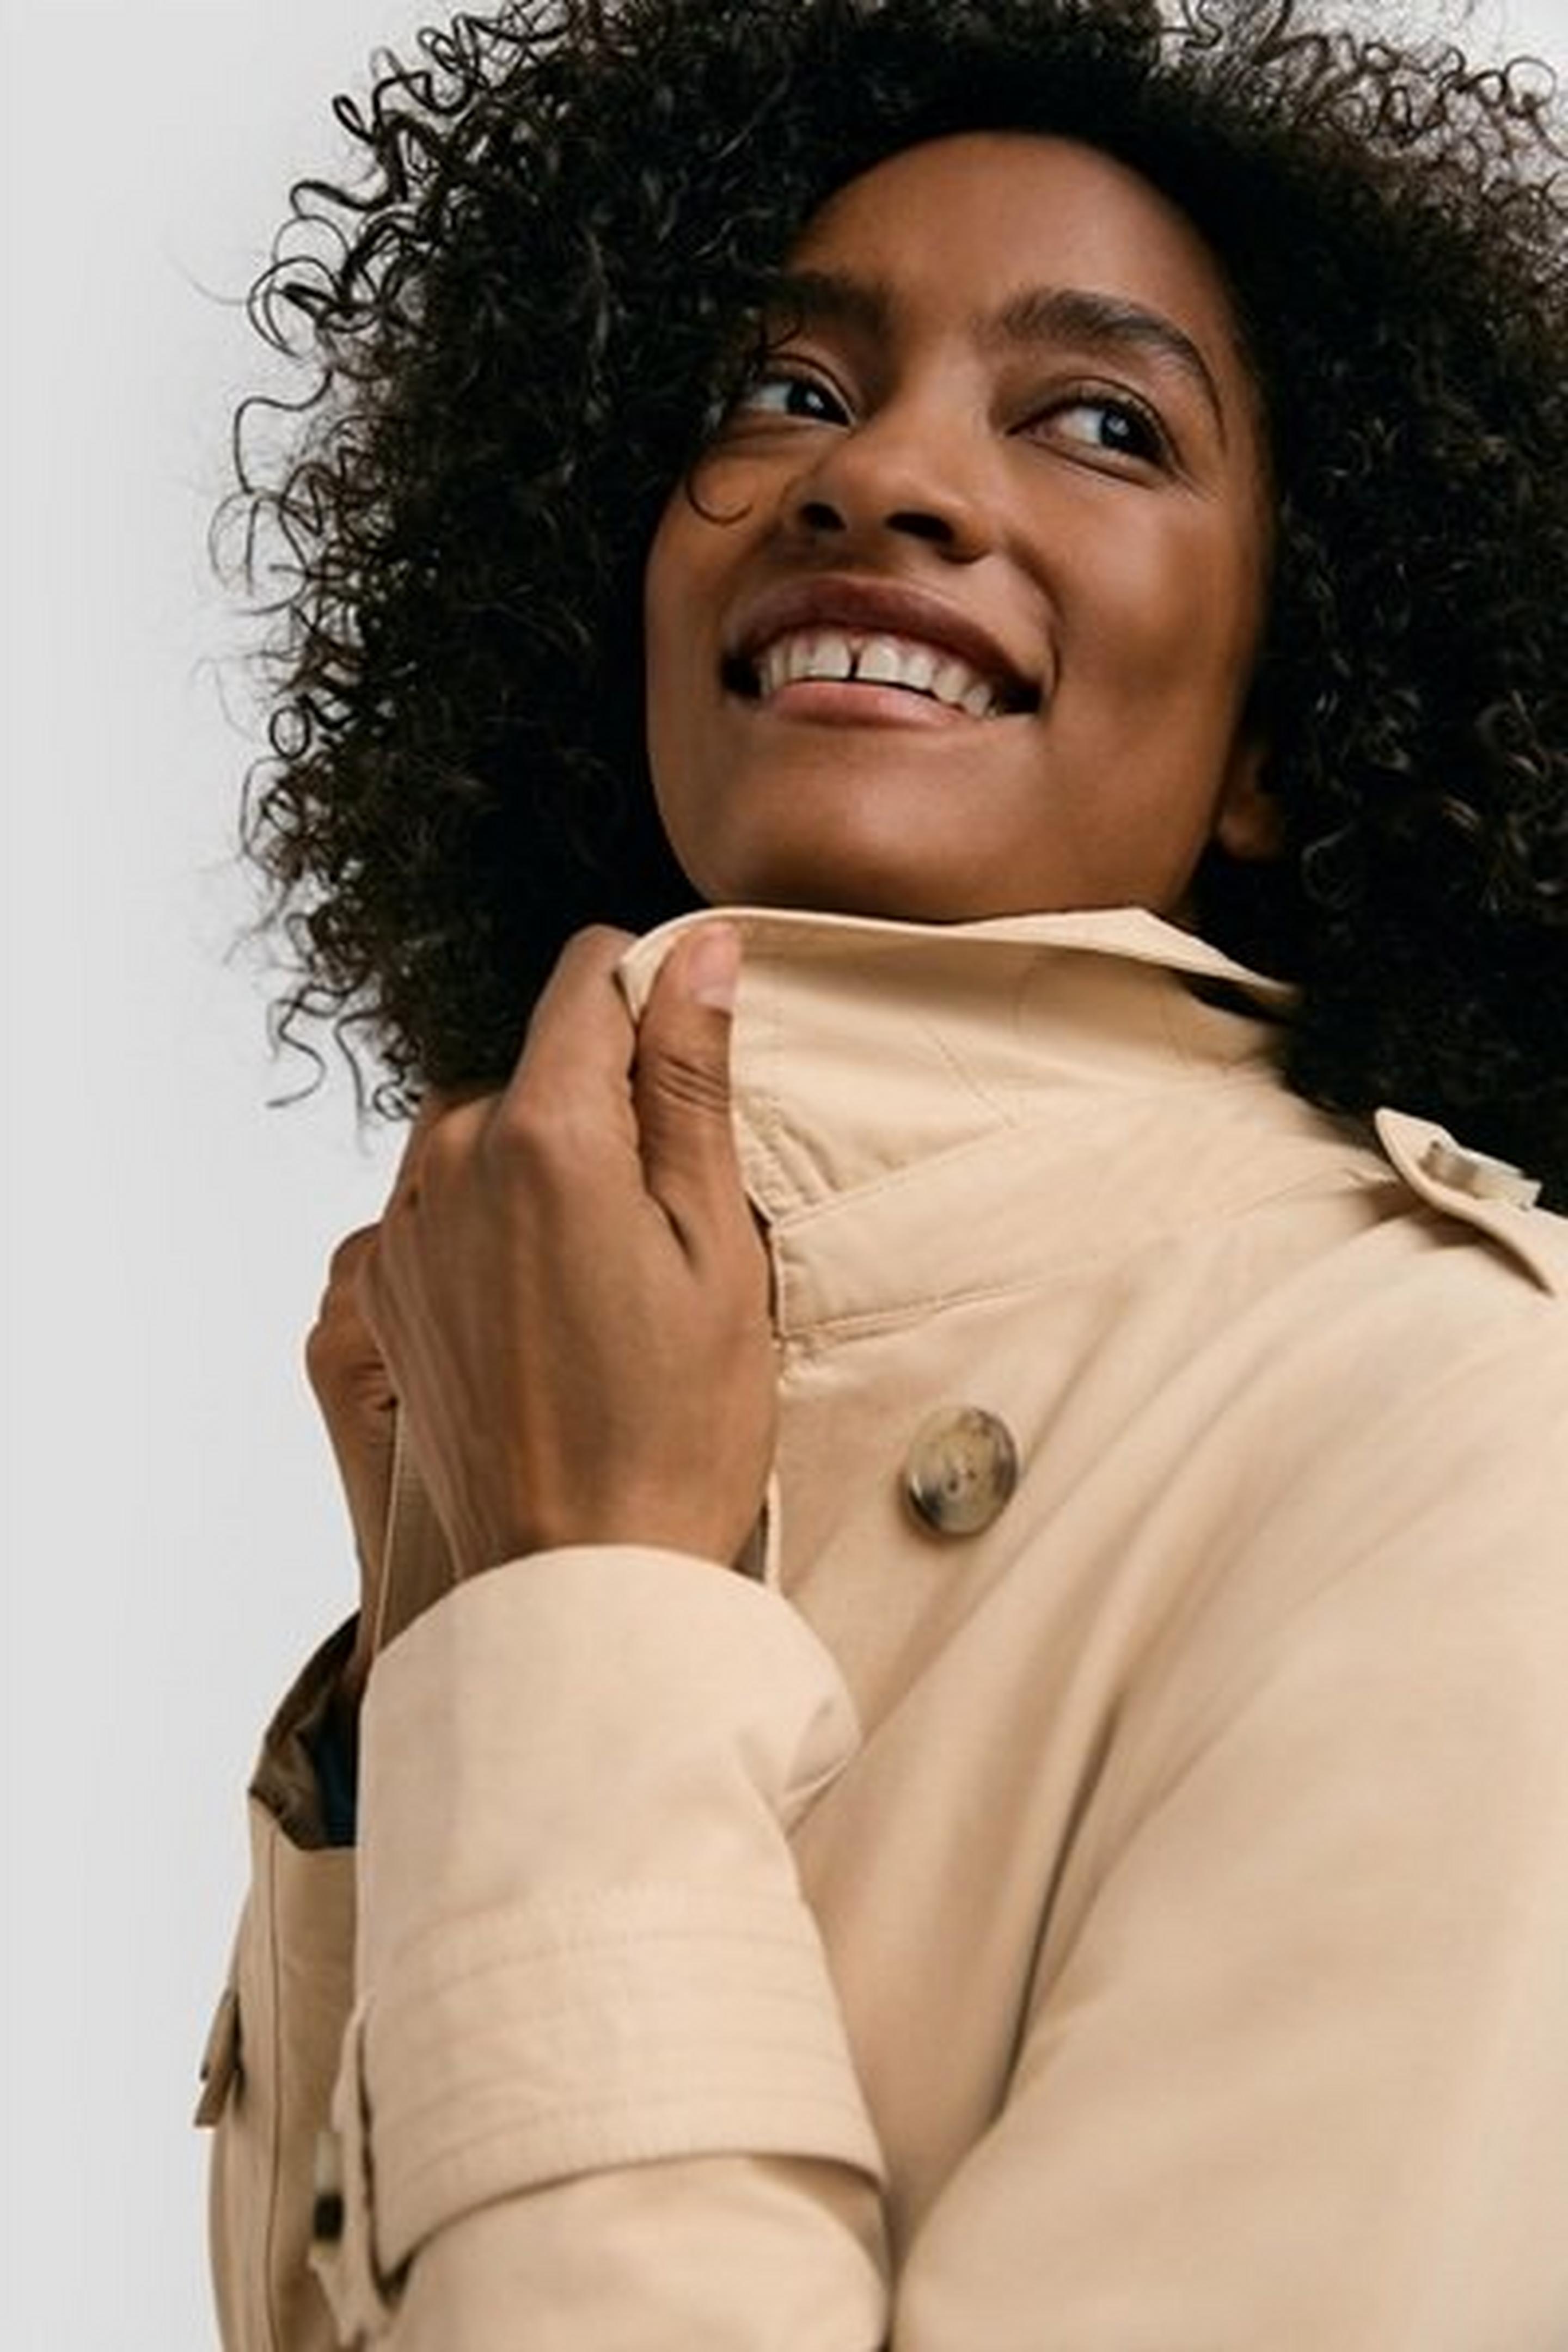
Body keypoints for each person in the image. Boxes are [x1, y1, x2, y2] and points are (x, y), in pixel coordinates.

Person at [199, 0, 1568, 2343]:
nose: (880, 475)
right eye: (784, 389)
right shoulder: (563, 1387)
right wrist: (435, 1651)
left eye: (1104, 420)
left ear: (1286, 726)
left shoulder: (1466, 1434)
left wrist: (579, 1608)